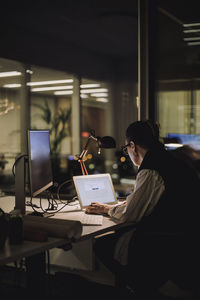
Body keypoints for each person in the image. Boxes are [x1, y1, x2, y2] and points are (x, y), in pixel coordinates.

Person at [85, 120, 200, 297]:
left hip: (163, 242)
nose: (128, 153)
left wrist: (107, 209)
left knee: (102, 245)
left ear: (132, 145)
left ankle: (138, 288)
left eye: (126, 149)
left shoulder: (151, 168)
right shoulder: (171, 159)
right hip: (185, 236)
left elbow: (130, 216)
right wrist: (126, 204)